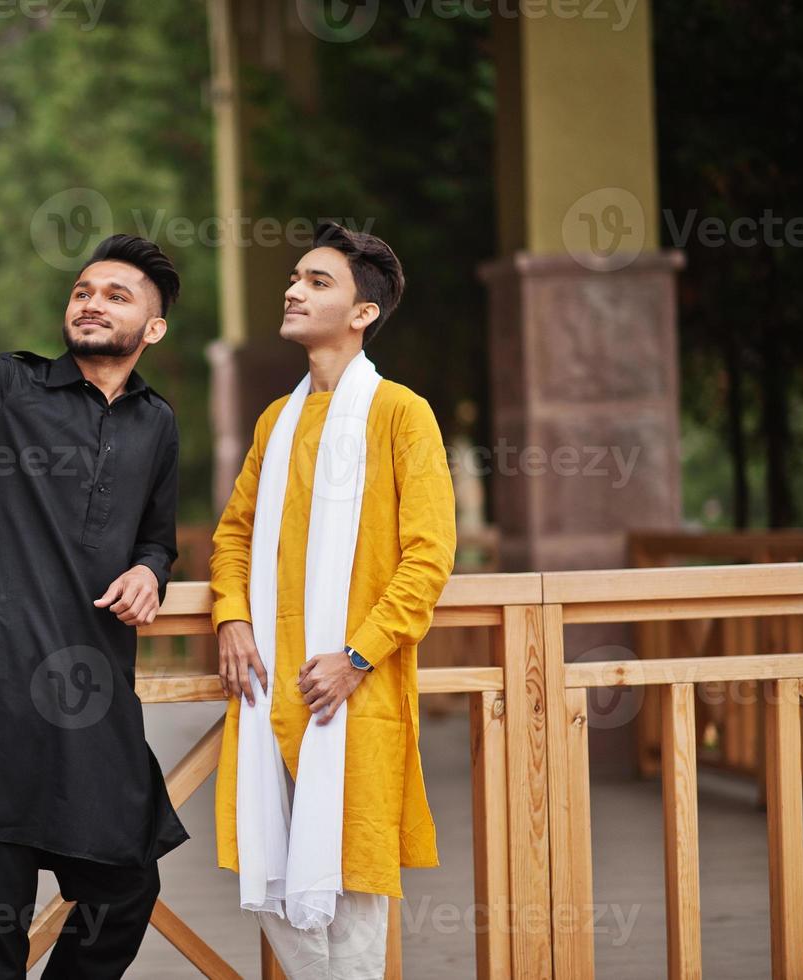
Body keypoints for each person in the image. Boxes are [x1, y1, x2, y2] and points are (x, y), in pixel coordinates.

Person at [0, 168, 189, 979]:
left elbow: (160, 536)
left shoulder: (157, 424)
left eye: (117, 296)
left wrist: (152, 571)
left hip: (92, 701)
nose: (91, 302)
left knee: (126, 885)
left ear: (151, 330)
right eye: (84, 290)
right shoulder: (8, 390)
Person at [210, 221, 456, 978]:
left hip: (353, 695)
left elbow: (427, 557)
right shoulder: (276, 423)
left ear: (362, 313)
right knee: (275, 891)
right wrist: (231, 617)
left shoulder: (398, 415)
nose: (292, 289)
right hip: (265, 695)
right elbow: (234, 535)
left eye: (317, 281)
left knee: (352, 911)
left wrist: (356, 655)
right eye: (294, 277)